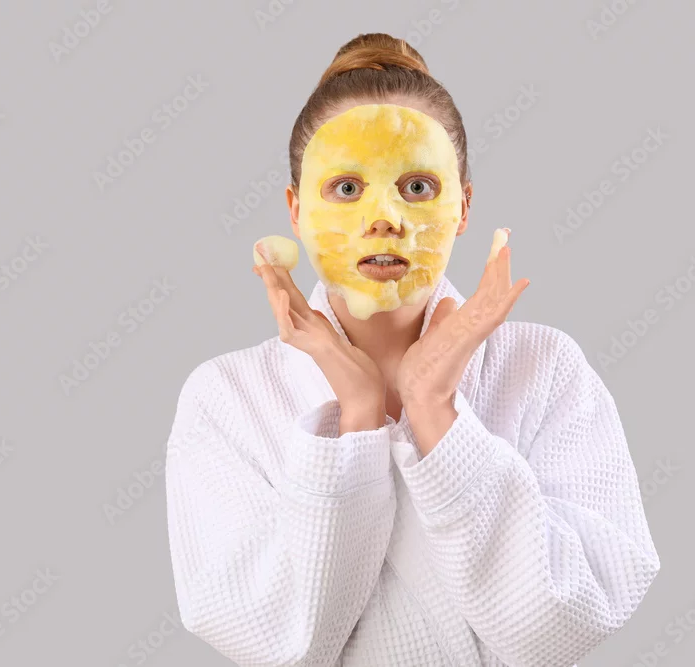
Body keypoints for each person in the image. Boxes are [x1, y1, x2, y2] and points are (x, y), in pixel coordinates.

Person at [163, 33, 660, 667]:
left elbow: (560, 628)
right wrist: (357, 414)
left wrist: (435, 412)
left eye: (418, 187)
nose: (385, 218)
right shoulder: (226, 397)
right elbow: (279, 646)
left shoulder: (544, 368)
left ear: (463, 207)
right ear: (296, 210)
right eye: (347, 188)